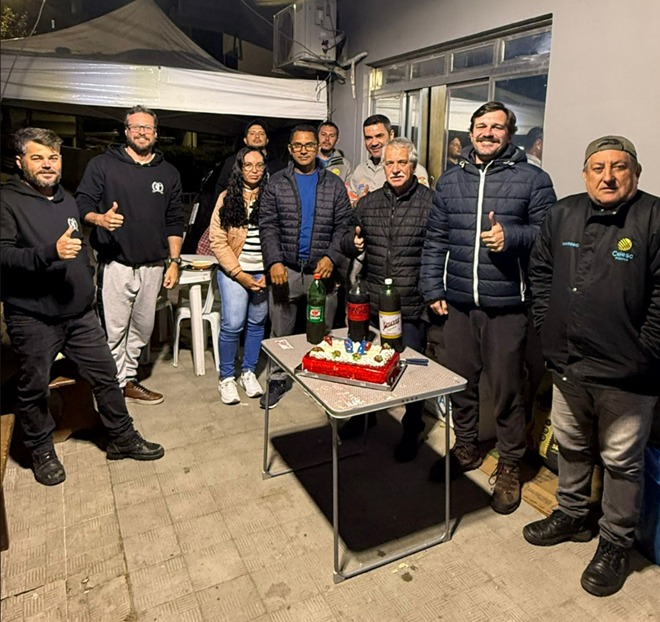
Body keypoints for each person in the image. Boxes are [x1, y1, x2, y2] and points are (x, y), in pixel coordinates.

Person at [523, 136, 660, 597]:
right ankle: (572, 514)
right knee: (571, 443)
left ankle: (615, 542)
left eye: (619, 167)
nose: (608, 176)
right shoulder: (563, 212)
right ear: (585, 174)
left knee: (621, 461)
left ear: (635, 173)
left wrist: (644, 352)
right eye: (598, 167)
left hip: (628, 375)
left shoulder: (654, 217)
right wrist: (546, 327)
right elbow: (541, 273)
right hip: (568, 363)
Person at [0, 128, 165, 486]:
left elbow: (78, 246)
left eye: (53, 157)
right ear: (20, 162)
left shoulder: (67, 199)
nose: (47, 164)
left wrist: (88, 266)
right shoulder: (7, 201)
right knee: (34, 388)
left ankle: (121, 437)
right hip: (33, 317)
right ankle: (41, 450)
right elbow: (3, 255)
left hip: (79, 315)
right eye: (37, 157)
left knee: (106, 375)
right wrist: (50, 253)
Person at [420, 101, 556, 515]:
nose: (488, 133)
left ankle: (510, 464)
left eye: (497, 127)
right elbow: (436, 238)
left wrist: (511, 237)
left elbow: (548, 235)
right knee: (460, 382)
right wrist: (432, 286)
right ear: (471, 132)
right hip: (459, 302)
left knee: (507, 390)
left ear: (509, 133)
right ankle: (466, 446)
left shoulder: (533, 179)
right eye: (481, 126)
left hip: (508, 306)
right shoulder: (450, 180)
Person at [76, 105, 184, 405]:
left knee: (142, 328)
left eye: (147, 127)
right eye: (135, 127)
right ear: (126, 131)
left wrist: (174, 262)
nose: (141, 132)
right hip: (116, 263)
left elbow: (175, 220)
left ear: (156, 133)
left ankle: (127, 379)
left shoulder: (168, 172)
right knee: (113, 330)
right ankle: (112, 387)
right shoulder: (102, 165)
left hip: (154, 265)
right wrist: (99, 219)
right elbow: (82, 203)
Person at [339, 138, 433, 461]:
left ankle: (412, 428)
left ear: (413, 165)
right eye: (390, 163)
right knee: (364, 362)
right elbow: (346, 236)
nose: (395, 169)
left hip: (411, 304)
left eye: (402, 163)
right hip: (372, 301)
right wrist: (352, 242)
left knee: (412, 373)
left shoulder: (431, 203)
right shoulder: (369, 203)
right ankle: (364, 416)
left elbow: (439, 252)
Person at [259, 124, 352, 409]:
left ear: (317, 147)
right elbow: (268, 224)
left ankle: (320, 378)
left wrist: (332, 256)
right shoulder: (276, 182)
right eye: (298, 145)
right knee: (280, 332)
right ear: (290, 149)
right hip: (286, 270)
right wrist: (274, 261)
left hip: (322, 272)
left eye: (309, 145)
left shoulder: (333, 184)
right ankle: (277, 380)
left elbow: (344, 225)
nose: (303, 150)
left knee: (322, 331)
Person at [209, 147, 268, 405]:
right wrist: (238, 274)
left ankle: (248, 372)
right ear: (240, 168)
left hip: (263, 272)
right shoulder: (226, 198)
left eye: (259, 165)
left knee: (257, 323)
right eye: (248, 165)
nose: (254, 170)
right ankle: (226, 378)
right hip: (235, 271)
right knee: (232, 324)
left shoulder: (272, 196)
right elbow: (217, 239)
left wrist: (270, 271)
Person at [346, 114, 430, 206]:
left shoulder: (413, 170)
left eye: (379, 136)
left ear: (391, 135)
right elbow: (348, 206)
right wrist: (358, 204)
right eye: (368, 138)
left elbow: (423, 204)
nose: (374, 143)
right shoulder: (359, 171)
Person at [214, 119, 285, 199]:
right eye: (252, 133)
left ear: (267, 140)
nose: (257, 136)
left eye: (261, 133)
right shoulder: (231, 162)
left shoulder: (279, 166)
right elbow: (221, 190)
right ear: (245, 140)